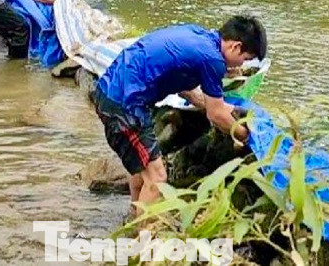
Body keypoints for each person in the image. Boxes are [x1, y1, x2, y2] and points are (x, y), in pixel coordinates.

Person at [91, 16, 266, 216]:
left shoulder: (198, 35)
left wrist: (225, 107)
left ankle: (133, 214)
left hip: (109, 90)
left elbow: (190, 93)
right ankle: (141, 238)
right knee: (157, 178)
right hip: (124, 106)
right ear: (236, 46)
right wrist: (244, 135)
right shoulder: (213, 60)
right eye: (245, 59)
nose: (240, 66)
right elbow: (215, 114)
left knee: (143, 166)